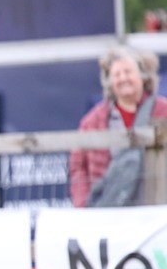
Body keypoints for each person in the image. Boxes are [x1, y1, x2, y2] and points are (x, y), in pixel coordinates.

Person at [68, 47, 167, 207]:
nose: (123, 78)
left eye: (128, 72)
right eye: (117, 74)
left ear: (143, 75)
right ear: (109, 81)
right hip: (110, 210)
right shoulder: (93, 120)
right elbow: (77, 165)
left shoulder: (163, 110)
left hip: (157, 208)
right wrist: (83, 205)